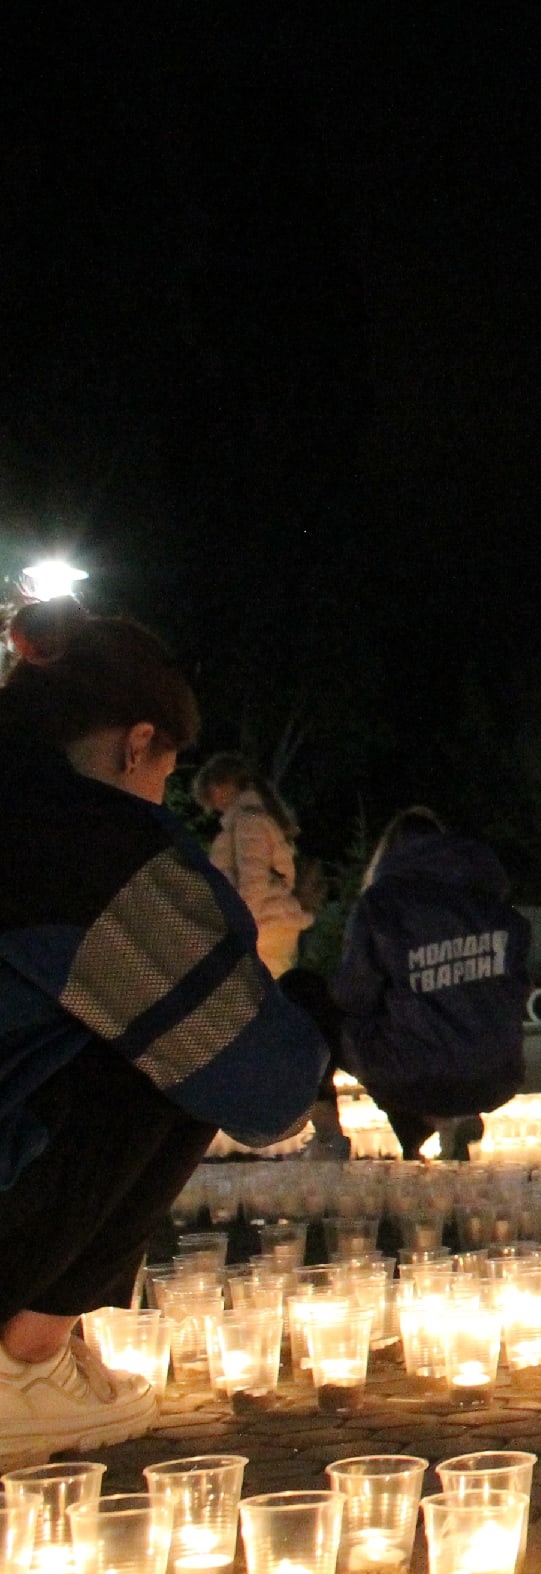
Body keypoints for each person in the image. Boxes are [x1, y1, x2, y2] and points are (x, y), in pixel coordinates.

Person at [0, 601, 328, 1459]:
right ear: (137, 743)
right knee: (186, 1038)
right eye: (162, 777)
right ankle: (19, 1365)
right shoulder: (83, 839)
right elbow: (265, 1085)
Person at [331, 808, 530, 1162]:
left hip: (415, 1075)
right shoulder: (493, 905)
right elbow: (515, 991)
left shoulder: (381, 905)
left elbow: (352, 996)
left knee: (310, 1000)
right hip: (497, 1073)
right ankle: (451, 1118)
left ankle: (333, 1136)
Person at [193, 752, 314, 978]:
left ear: (222, 786)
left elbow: (253, 882)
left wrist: (238, 933)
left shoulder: (248, 822)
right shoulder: (261, 817)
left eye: (211, 794)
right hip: (272, 928)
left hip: (262, 932)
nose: (213, 804)